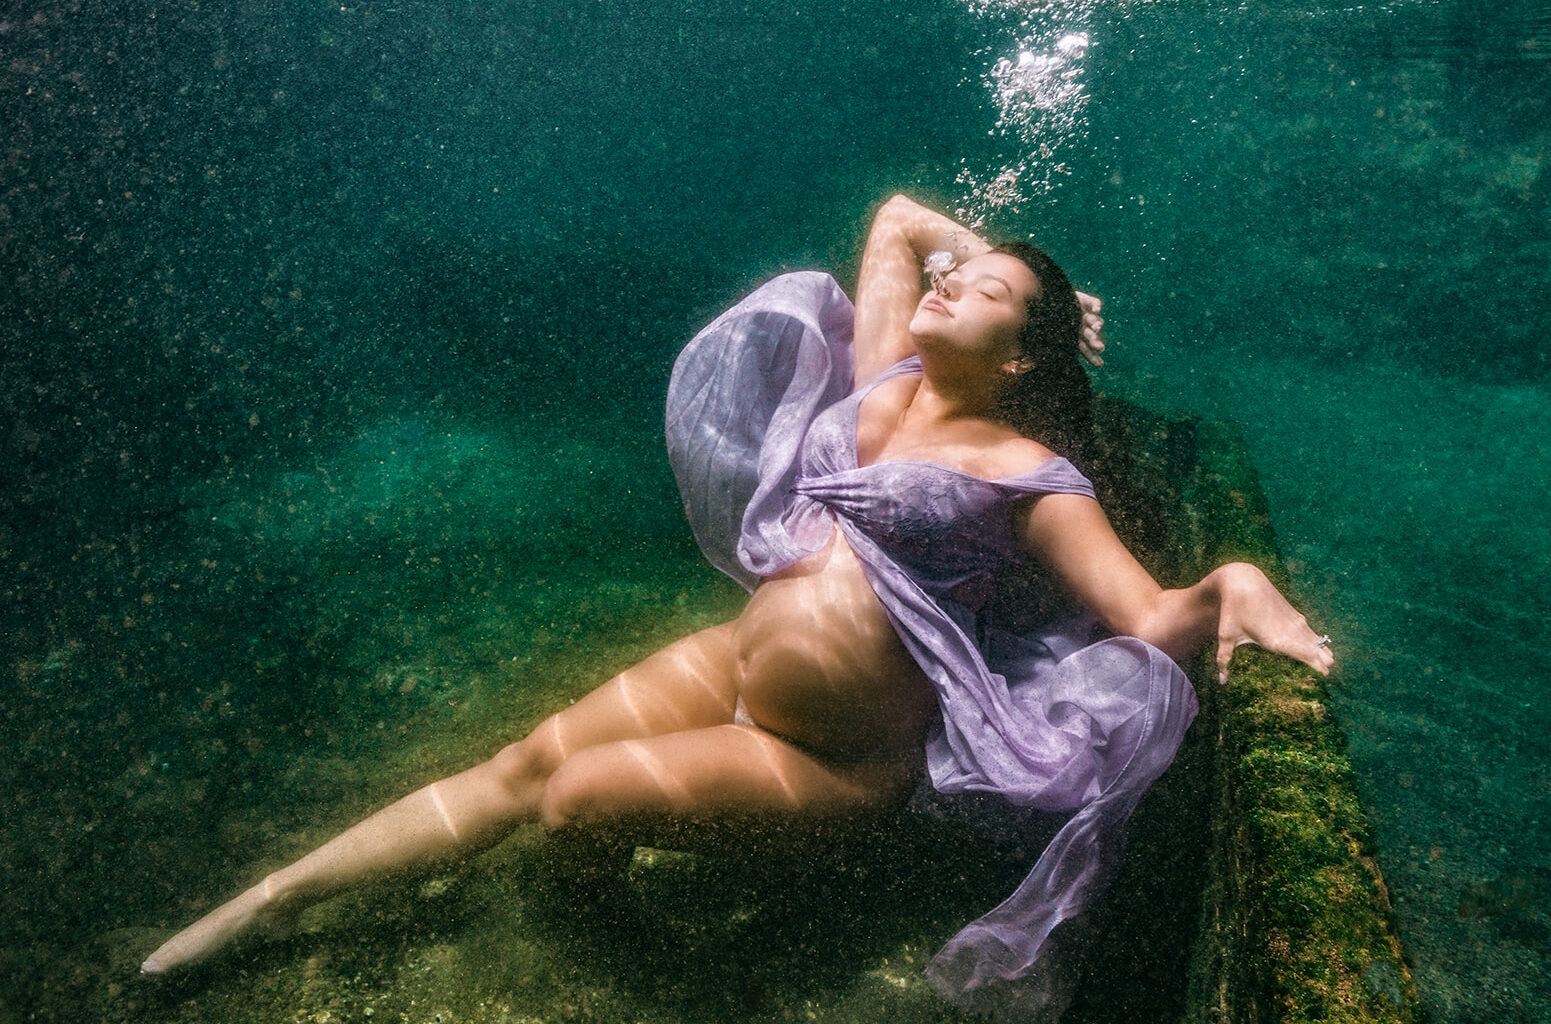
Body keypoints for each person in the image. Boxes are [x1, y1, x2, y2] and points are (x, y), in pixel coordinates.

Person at [141, 195, 1333, 1014]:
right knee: (517, 763)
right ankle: (269, 898)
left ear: (1020, 359)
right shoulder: (885, 375)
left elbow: (1141, 617)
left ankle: (609, 958)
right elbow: (900, 219)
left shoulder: (1032, 478)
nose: (950, 278)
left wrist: (1229, 579)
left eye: (983, 292)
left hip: (837, 757)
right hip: (736, 660)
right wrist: (995, 256)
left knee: (570, 804)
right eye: (959, 273)